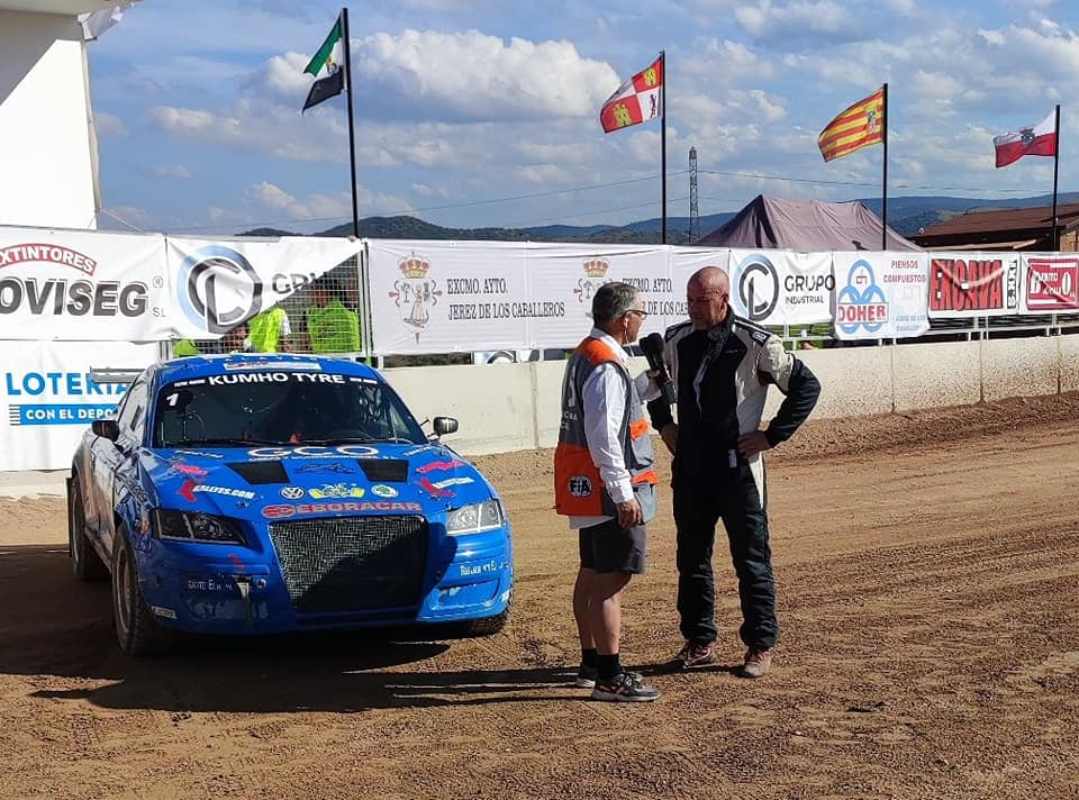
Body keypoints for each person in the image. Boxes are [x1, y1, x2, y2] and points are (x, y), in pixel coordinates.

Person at [648, 267, 820, 679]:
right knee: (691, 561)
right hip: (691, 470)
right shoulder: (676, 338)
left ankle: (760, 644)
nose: (693, 308)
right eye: (688, 300)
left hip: (738, 472)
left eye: (700, 301)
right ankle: (699, 640)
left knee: (752, 561)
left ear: (723, 298)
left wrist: (772, 436)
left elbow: (806, 387)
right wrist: (665, 425)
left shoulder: (757, 342)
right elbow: (656, 383)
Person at [554, 282, 661, 702]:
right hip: (608, 489)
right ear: (624, 319)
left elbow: (612, 409)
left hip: (587, 486)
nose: (641, 322)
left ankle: (591, 664)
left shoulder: (589, 354)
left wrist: (648, 386)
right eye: (641, 314)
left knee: (592, 575)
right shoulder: (604, 364)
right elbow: (605, 435)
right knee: (609, 581)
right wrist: (622, 494)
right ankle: (610, 677)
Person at [306, 278, 361, 354]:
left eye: (320, 290)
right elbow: (307, 339)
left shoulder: (343, 302)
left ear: (329, 291)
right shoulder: (311, 312)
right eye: (313, 290)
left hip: (346, 356)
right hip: (323, 359)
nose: (315, 294)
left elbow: (354, 282)